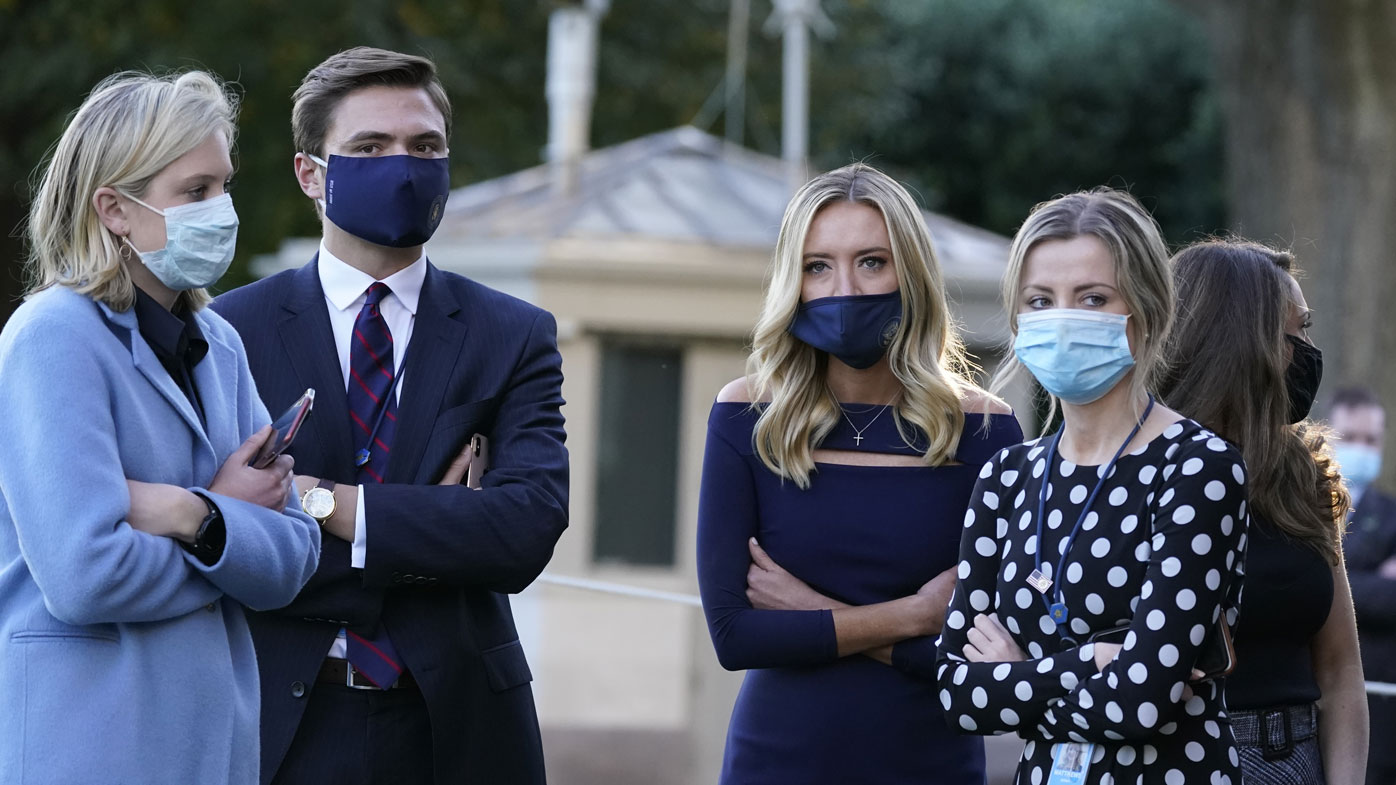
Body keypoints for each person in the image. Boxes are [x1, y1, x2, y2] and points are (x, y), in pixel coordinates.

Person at [212, 47, 568, 785]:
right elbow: (222, 540)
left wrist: (316, 501)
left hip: (461, 734)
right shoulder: (230, 332)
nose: (403, 166)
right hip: (279, 728)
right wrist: (436, 527)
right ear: (312, 173)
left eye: (425, 146)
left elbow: (524, 532)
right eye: (370, 148)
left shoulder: (514, 334)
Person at [0, 71, 321, 784]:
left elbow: (294, 556)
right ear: (115, 208)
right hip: (90, 746)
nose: (223, 209)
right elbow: (85, 574)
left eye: (224, 186)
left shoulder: (220, 342)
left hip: (215, 749)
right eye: (197, 191)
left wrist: (192, 512)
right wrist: (232, 532)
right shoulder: (53, 337)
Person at [696, 163, 1023, 784]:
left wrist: (807, 609)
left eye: (871, 261)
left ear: (912, 274)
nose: (844, 288)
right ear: (793, 281)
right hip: (778, 757)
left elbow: (986, 657)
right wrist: (917, 616)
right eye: (818, 266)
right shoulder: (746, 415)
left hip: (928, 761)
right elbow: (736, 636)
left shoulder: (986, 430)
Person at [936, 189, 1250, 785]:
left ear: (1148, 310)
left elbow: (1143, 703)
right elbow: (957, 692)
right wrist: (1083, 663)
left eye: (1093, 298)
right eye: (1040, 300)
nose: (1062, 318)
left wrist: (1017, 672)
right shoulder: (1005, 478)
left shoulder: (1198, 468)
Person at [1158, 240, 1367, 784]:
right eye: (1294, 331)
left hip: (1289, 759)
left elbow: (1341, 670)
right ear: (1236, 341)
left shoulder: (1304, 472)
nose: (1307, 349)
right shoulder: (1143, 466)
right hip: (1170, 758)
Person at [1329, 386, 1396, 785]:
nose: (1361, 448)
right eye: (1350, 438)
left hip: (1383, 710)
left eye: (1371, 440)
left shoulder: (1392, 516)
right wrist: (1373, 580)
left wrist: (1333, 578)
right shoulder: (1299, 507)